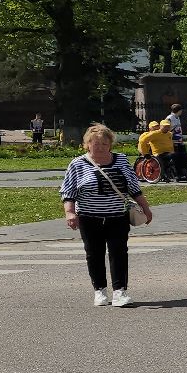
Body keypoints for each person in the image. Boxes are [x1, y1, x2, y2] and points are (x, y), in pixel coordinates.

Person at [60, 124, 153, 308]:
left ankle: (120, 291)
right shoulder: (78, 164)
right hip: (89, 217)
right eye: (96, 143)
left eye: (104, 143)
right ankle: (99, 290)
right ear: (87, 144)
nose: (100, 147)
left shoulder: (121, 160)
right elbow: (68, 191)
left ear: (110, 144)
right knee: (94, 253)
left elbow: (134, 188)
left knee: (119, 252)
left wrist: (145, 208)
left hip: (117, 216)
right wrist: (70, 212)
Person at [165, 103, 187, 181]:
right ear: (179, 111)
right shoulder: (169, 118)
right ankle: (177, 173)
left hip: (179, 140)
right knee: (176, 157)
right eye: (181, 110)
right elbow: (167, 130)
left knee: (184, 155)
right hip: (173, 141)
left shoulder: (177, 118)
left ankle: (183, 171)